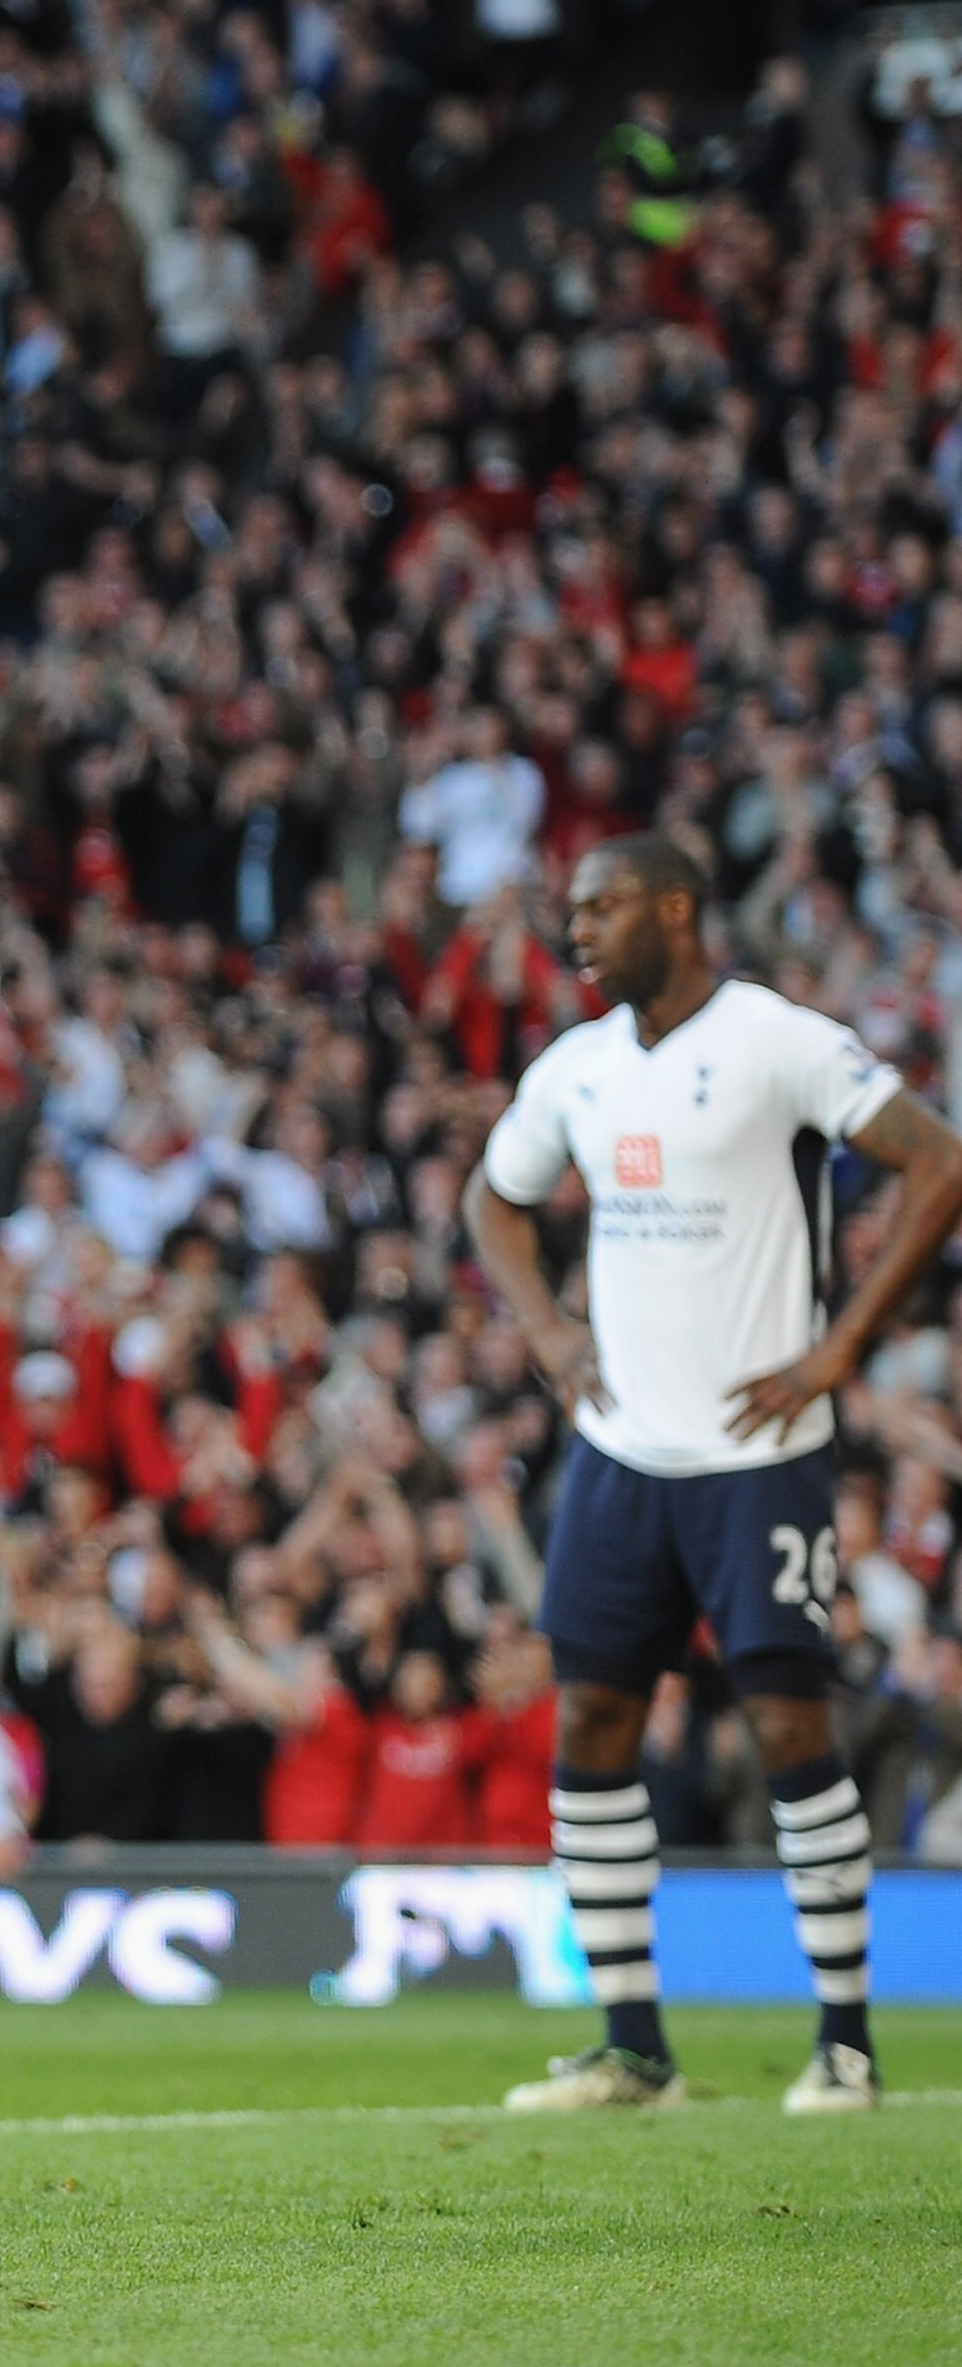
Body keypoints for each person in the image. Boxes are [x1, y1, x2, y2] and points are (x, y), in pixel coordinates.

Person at [468, 833, 962, 2116]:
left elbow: (938, 1160)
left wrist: (839, 1349)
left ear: (677, 909)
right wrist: (546, 1331)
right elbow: (489, 1200)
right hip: (620, 1452)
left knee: (787, 1725)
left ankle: (843, 2046)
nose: (577, 930)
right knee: (589, 1720)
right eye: (573, 910)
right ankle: (631, 2047)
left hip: (758, 1454)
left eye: (603, 906)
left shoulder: (774, 1042)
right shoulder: (576, 1068)